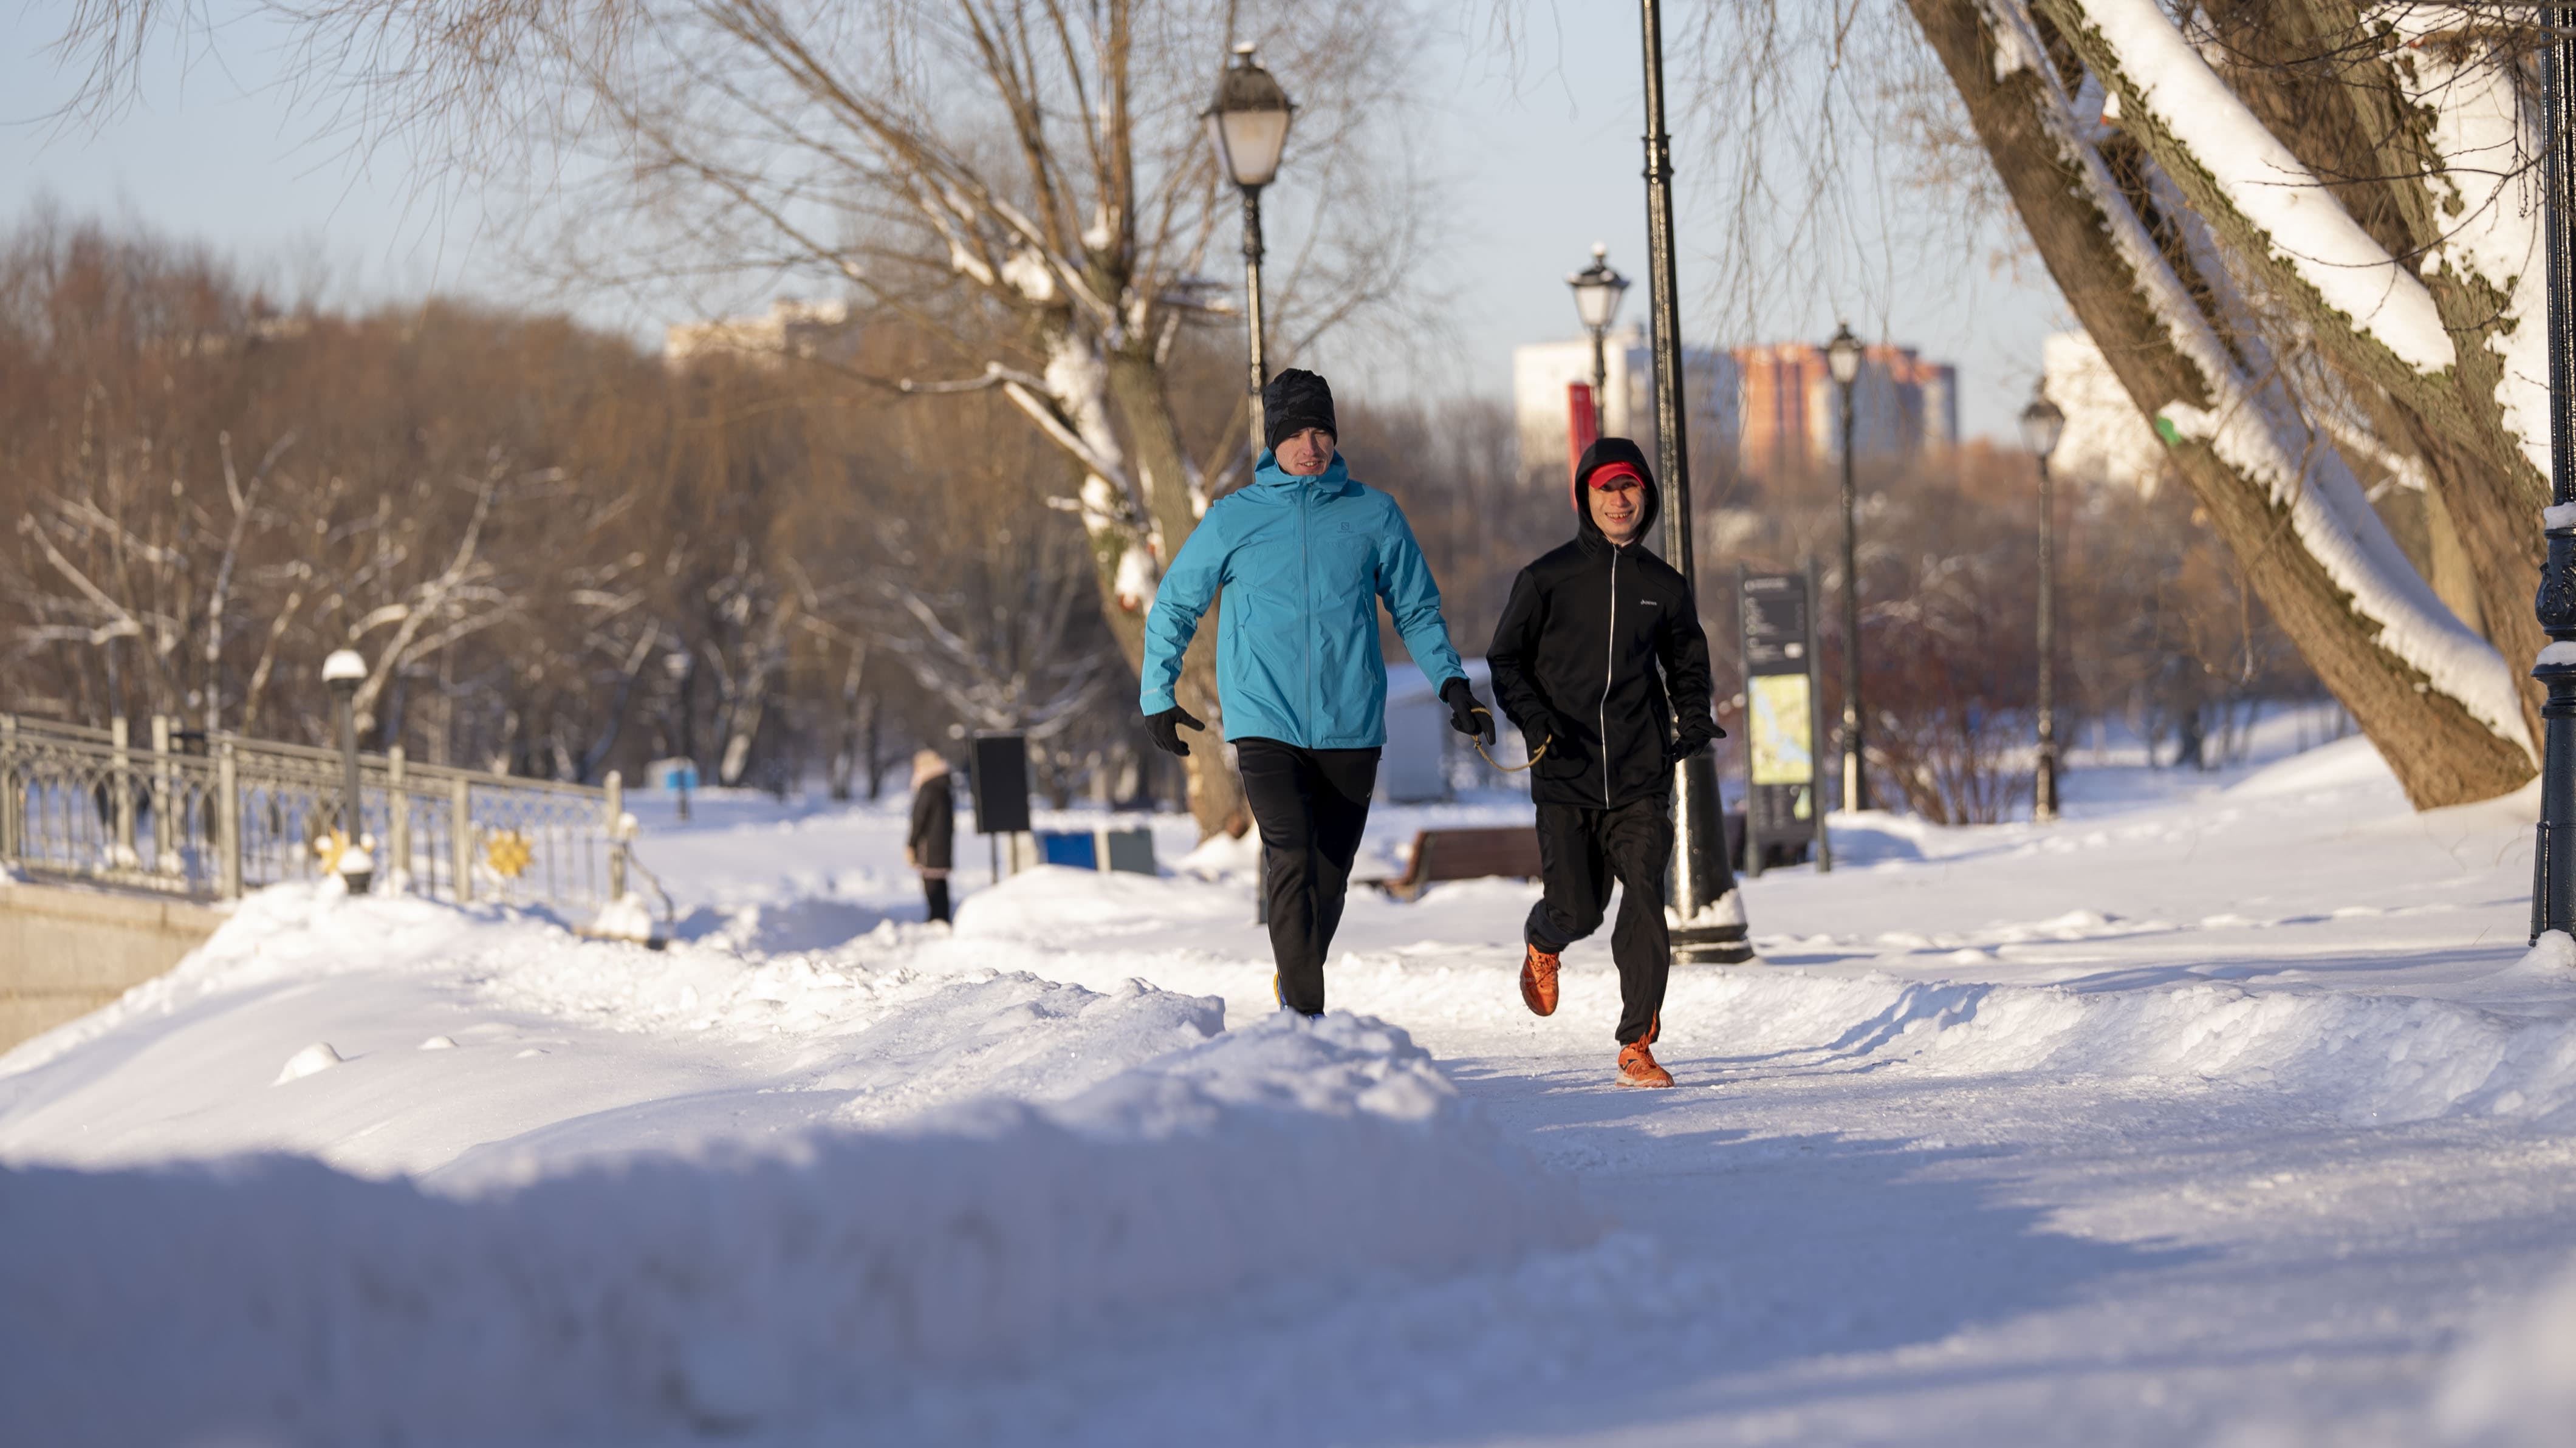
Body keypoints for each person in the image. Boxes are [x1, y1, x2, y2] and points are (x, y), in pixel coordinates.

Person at [1140, 367, 1493, 1017]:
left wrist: (1451, 683)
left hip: (1350, 721)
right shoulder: (1233, 518)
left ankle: (1294, 979)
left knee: (1329, 878)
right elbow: (1174, 605)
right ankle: (1306, 1019)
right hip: (1264, 718)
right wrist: (1156, 693)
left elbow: (1415, 608)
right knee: (1291, 855)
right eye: (1297, 432)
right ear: (1273, 440)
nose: (1311, 445)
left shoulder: (1373, 512)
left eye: (1321, 431)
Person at [1486, 437, 1721, 1088]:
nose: (1618, 500)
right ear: (1585, 500)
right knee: (1580, 909)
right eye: (1604, 489)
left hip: (1641, 771)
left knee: (1644, 894)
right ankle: (1544, 935)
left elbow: (1687, 664)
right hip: (1565, 772)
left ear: (1644, 496)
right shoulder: (1546, 578)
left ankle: (1636, 1042)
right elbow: (1504, 662)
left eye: (1628, 488)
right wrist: (1534, 720)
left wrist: (1693, 718)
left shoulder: (1663, 585)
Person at [905, 748, 955, 924]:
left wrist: (911, 844)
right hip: (944, 843)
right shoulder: (944, 786)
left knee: (932, 885)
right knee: (941, 884)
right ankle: (941, 918)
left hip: (929, 844)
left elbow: (919, 818)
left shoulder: (929, 788)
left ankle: (936, 920)